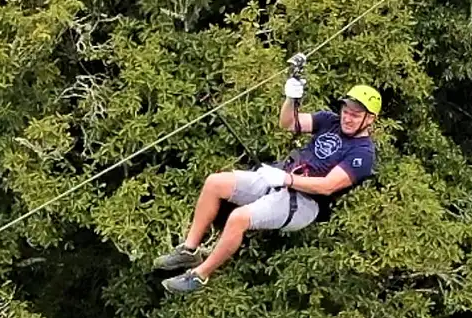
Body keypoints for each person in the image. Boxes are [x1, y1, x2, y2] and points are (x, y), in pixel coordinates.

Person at [156, 75, 382, 293]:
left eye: (355, 115)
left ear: (370, 118)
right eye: (346, 112)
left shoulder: (362, 153)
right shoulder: (328, 121)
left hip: (304, 203)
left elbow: (328, 186)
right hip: (280, 178)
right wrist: (291, 99)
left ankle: (199, 275)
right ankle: (188, 250)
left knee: (239, 218)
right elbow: (288, 123)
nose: (347, 118)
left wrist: (287, 179)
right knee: (215, 183)